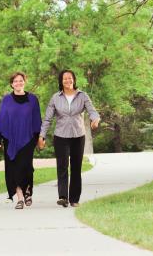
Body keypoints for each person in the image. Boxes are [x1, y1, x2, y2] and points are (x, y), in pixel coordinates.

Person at [38, 69, 100, 208]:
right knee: (62, 167)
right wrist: (42, 135)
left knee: (76, 168)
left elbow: (92, 111)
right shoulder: (55, 98)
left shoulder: (83, 96)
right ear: (61, 81)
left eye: (70, 78)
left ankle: (74, 199)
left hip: (78, 136)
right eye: (65, 78)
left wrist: (95, 119)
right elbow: (47, 119)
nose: (68, 80)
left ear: (74, 80)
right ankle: (63, 197)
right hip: (61, 136)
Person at [0, 72, 42, 209]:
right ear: (11, 84)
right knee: (13, 169)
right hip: (11, 139)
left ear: (24, 82)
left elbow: (37, 120)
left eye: (21, 80)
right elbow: (0, 120)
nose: (18, 83)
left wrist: (39, 138)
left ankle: (28, 191)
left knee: (26, 167)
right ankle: (20, 198)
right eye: (15, 81)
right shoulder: (6, 100)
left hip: (28, 139)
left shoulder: (33, 99)